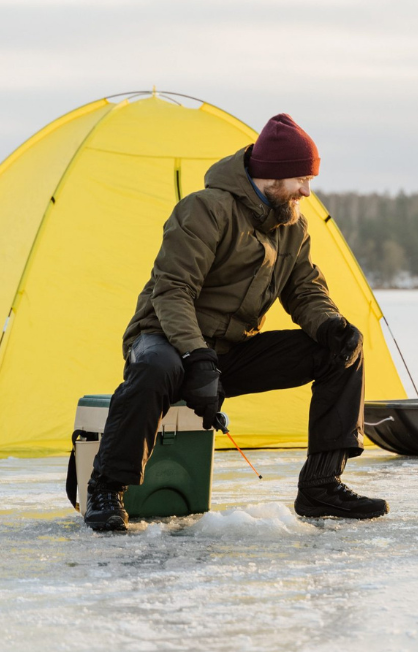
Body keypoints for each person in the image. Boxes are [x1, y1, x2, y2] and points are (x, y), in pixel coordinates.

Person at [83, 113, 387, 532]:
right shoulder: (205, 210)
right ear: (273, 176)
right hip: (165, 338)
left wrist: (331, 325)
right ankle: (105, 488)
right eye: (300, 178)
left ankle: (321, 485)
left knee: (340, 352)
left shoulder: (292, 226)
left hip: (229, 351)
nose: (307, 190)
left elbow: (304, 290)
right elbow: (172, 292)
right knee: (158, 368)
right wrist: (196, 356)